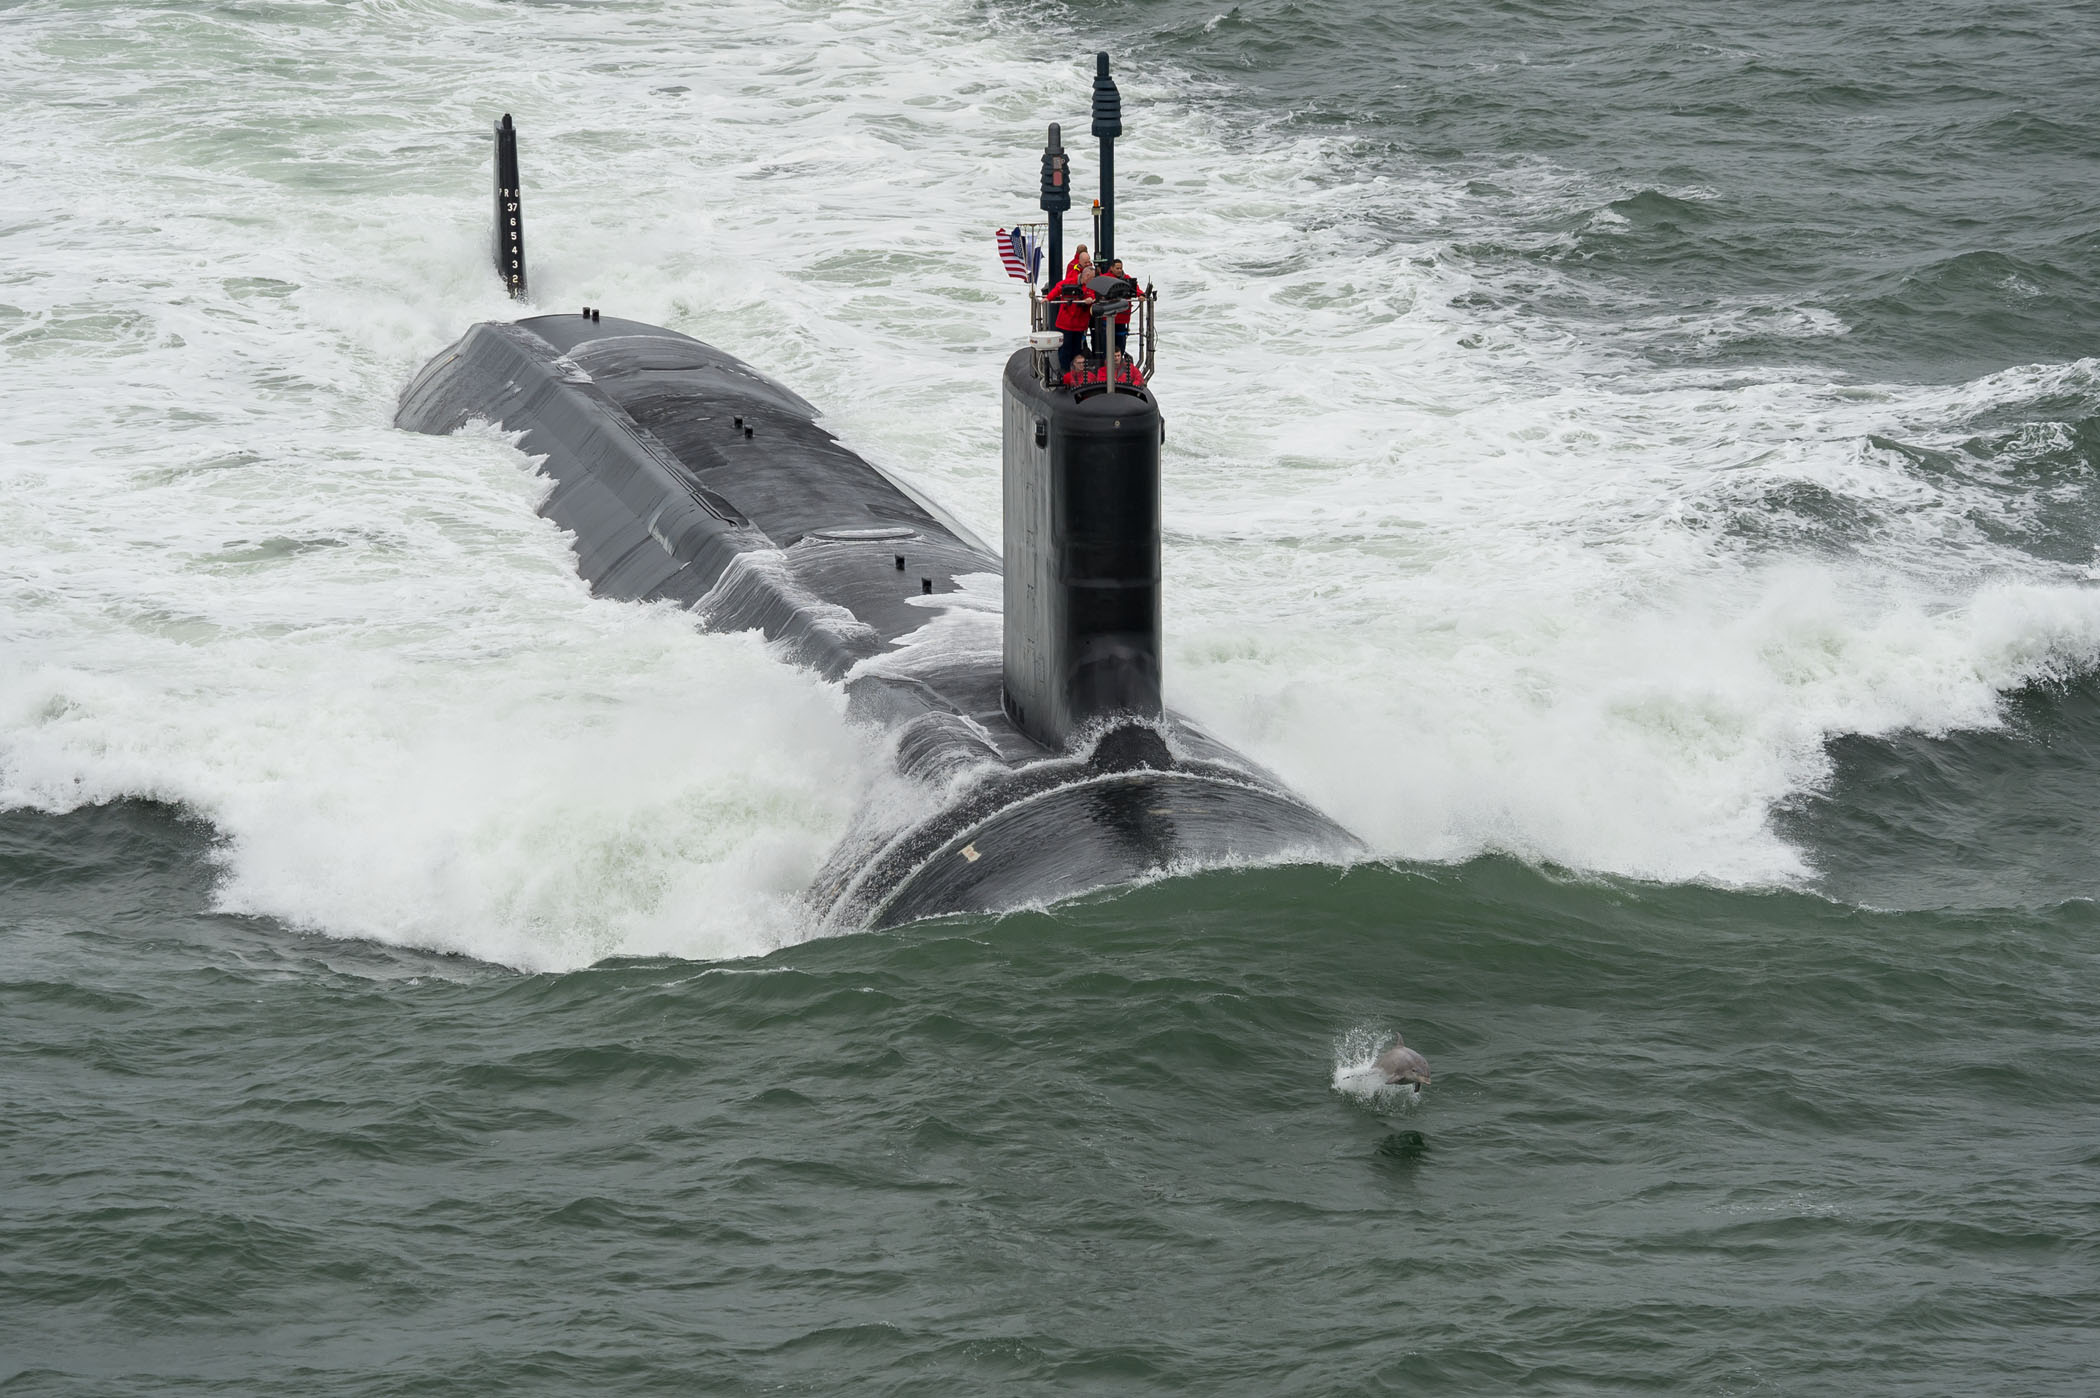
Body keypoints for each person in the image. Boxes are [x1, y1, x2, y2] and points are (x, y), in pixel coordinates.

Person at [1044, 255, 1095, 379]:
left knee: (1076, 349)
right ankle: (1065, 372)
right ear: (1086, 276)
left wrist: (1090, 299)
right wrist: (1048, 298)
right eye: (1092, 278)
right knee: (1065, 348)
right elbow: (1058, 288)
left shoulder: (1090, 287)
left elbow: (1093, 295)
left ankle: (1076, 371)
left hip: (1079, 325)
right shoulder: (1070, 281)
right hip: (1066, 323)